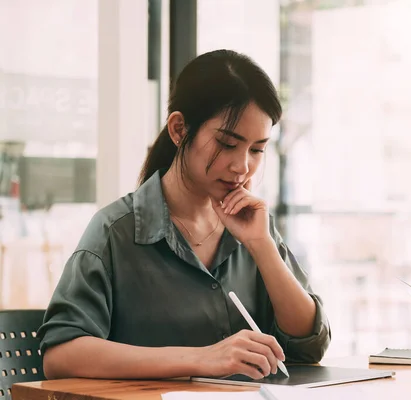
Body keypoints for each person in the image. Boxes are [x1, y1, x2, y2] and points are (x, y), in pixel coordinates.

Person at [38, 49, 331, 380]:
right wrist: (201, 359)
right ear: (179, 130)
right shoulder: (115, 231)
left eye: (257, 149)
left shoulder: (254, 228)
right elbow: (61, 354)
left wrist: (262, 246)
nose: (242, 166)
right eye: (226, 143)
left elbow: (309, 346)